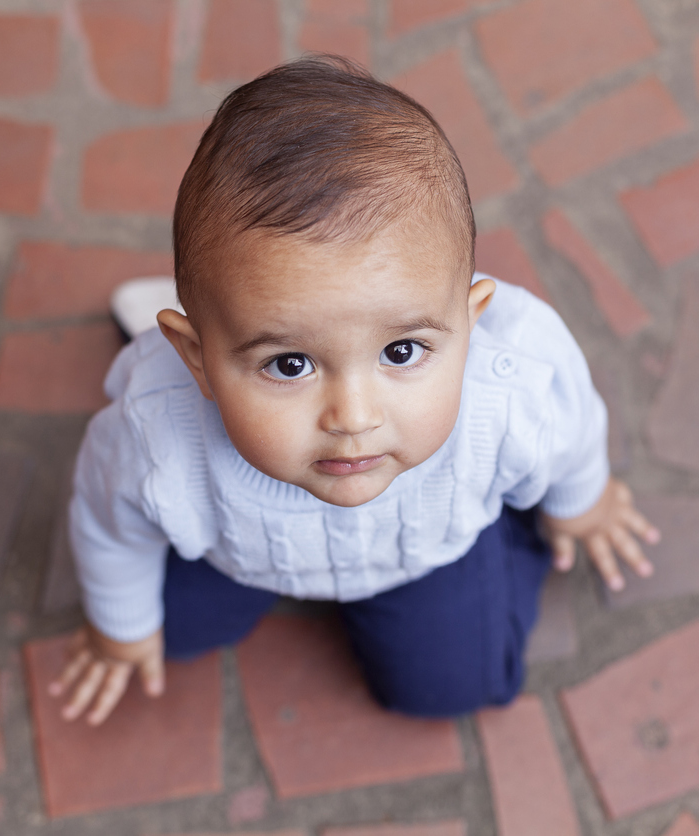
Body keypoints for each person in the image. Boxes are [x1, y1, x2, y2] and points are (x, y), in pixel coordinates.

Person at [49, 56, 658, 725]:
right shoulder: (154, 436)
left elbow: (567, 434)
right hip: (240, 554)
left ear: (470, 324)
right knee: (171, 632)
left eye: (401, 352)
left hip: (430, 550)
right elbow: (107, 525)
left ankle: (504, 529)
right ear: (196, 360)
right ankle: (221, 313)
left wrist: (580, 504)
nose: (354, 417)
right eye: (289, 364)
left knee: (449, 688)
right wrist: (120, 627)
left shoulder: (508, 390)